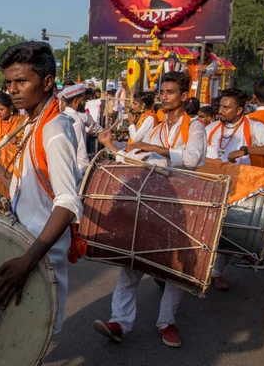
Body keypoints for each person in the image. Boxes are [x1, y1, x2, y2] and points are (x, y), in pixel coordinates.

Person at [96, 71, 207, 348]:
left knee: (175, 267)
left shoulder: (194, 126)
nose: (164, 97)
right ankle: (119, 321)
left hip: (183, 205)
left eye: (170, 92)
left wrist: (153, 148)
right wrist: (111, 146)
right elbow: (133, 156)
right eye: (162, 91)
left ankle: (166, 322)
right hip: (151, 202)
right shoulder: (156, 127)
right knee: (131, 261)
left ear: (184, 96)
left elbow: (194, 159)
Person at [0, 41, 82, 334]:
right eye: (9, 82)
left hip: (37, 257)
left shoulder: (54, 130)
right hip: (23, 245)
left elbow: (67, 203)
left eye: (22, 81)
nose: (12, 89)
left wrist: (27, 261)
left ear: (47, 82)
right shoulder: (33, 122)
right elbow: (24, 192)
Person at [205, 88, 264, 282]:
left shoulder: (254, 127)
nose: (220, 110)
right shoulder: (211, 127)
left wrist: (247, 150)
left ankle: (218, 274)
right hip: (209, 187)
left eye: (226, 107)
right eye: (220, 106)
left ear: (239, 110)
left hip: (238, 189)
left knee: (228, 235)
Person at [59, 83, 90, 176]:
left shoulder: (61, 117)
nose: (85, 103)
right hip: (76, 170)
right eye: (83, 99)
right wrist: (86, 171)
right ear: (76, 101)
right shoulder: (76, 121)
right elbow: (81, 151)